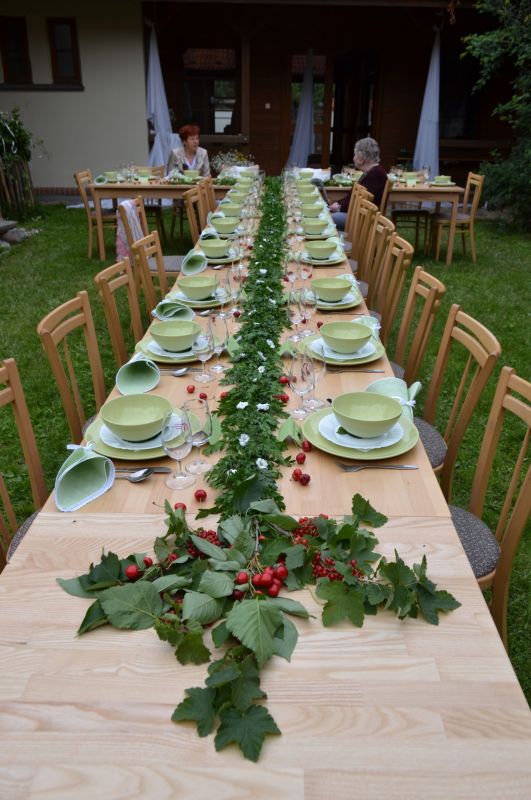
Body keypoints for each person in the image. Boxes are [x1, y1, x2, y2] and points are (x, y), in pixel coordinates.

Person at [329, 137, 387, 230]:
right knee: (327, 215)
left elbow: (362, 202)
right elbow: (352, 197)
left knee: (329, 219)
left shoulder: (375, 174)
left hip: (364, 219)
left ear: (361, 159)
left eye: (355, 155)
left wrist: (340, 207)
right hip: (359, 215)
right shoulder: (371, 171)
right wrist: (338, 203)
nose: (353, 158)